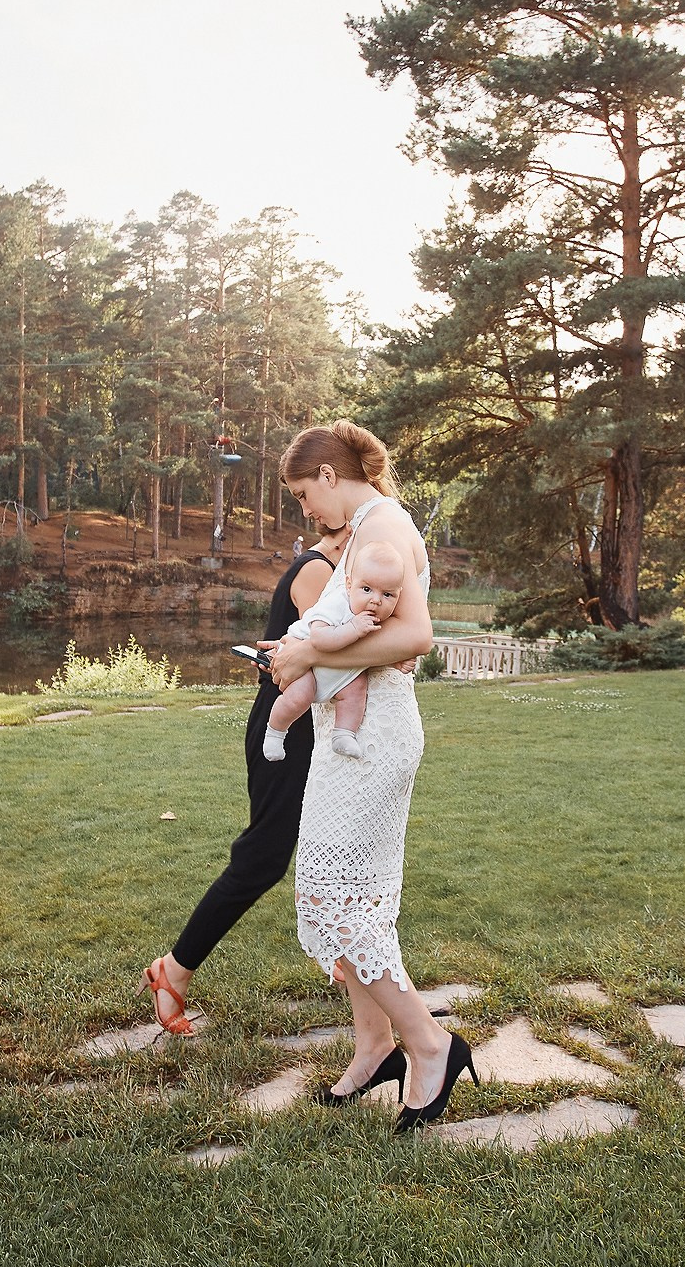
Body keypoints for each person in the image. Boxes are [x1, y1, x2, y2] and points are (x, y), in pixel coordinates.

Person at [263, 421, 476, 1129]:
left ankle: (429, 1042)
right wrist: (296, 652)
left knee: (330, 898)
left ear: (328, 475)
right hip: (361, 731)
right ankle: (373, 1045)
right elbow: (366, 629)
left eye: (302, 494)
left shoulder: (381, 522)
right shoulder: (370, 525)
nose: (304, 510)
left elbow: (417, 636)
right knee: (360, 900)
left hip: (371, 737)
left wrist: (308, 665)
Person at [135, 522, 350, 1037]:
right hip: (288, 730)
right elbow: (334, 658)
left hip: (298, 726)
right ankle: (174, 969)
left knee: (340, 845)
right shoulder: (318, 572)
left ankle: (359, 965)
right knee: (263, 857)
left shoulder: (330, 572)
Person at [262, 540, 408, 762]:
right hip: (304, 658)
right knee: (300, 696)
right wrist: (353, 628)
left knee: (357, 688)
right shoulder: (338, 602)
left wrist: (397, 660)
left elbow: (372, 651)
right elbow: (319, 639)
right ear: (349, 585)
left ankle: (343, 734)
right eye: (367, 589)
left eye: (387, 595)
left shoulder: (378, 618)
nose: (375, 600)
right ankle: (275, 732)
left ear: (399, 595)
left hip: (336, 666)